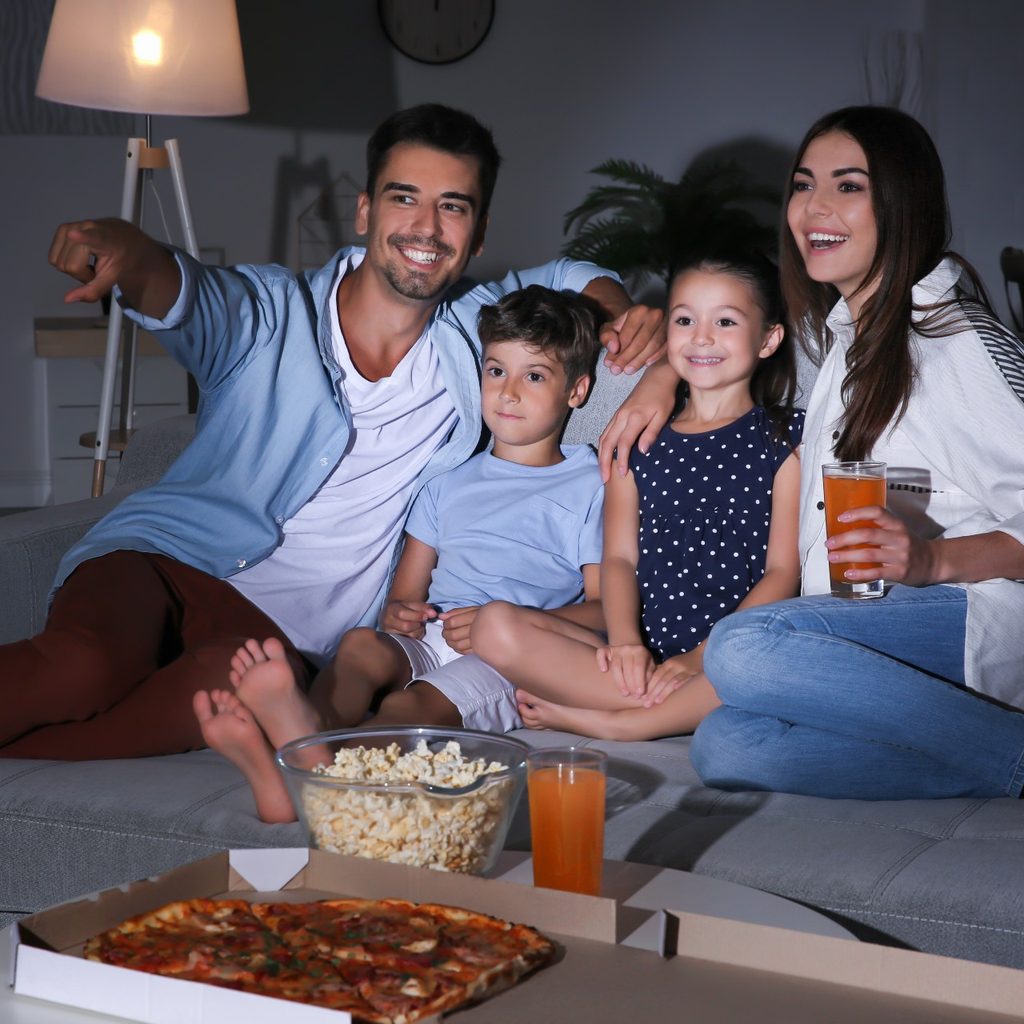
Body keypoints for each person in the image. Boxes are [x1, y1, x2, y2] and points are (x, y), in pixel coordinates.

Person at [2, 104, 663, 761]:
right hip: (164, 566)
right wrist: (134, 252)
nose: (426, 227)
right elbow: (189, 293)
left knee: (239, 707)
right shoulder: (269, 313)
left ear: (478, 234)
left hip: (281, 648)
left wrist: (623, 317)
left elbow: (570, 276)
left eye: (453, 207)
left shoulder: (478, 333)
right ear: (366, 212)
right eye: (404, 197)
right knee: (85, 669)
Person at [615, 106, 1024, 799]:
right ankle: (984, 758)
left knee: (739, 645)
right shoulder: (846, 342)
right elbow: (716, 351)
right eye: (804, 185)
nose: (815, 207)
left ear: (902, 202)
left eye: (849, 186)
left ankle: (1012, 755)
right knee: (727, 744)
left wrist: (932, 559)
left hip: (971, 619)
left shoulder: (954, 339)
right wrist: (661, 375)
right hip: (868, 626)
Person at [195, 284, 606, 822]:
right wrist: (400, 613)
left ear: (576, 391)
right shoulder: (446, 483)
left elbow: (605, 611)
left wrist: (512, 622)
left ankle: (293, 776)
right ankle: (299, 741)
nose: (508, 392)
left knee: (406, 710)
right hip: (434, 637)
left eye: (534, 376)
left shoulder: (590, 482)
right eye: (495, 370)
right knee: (362, 646)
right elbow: (405, 598)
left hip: (509, 657)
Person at [468, 251, 803, 741]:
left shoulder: (782, 439)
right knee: (492, 625)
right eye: (685, 319)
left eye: (725, 321)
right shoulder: (637, 439)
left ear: (769, 339)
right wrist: (626, 645)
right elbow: (620, 559)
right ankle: (659, 706)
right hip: (638, 658)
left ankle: (621, 723)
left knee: (774, 659)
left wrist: (700, 657)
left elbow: (782, 574)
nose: (702, 336)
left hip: (731, 654)